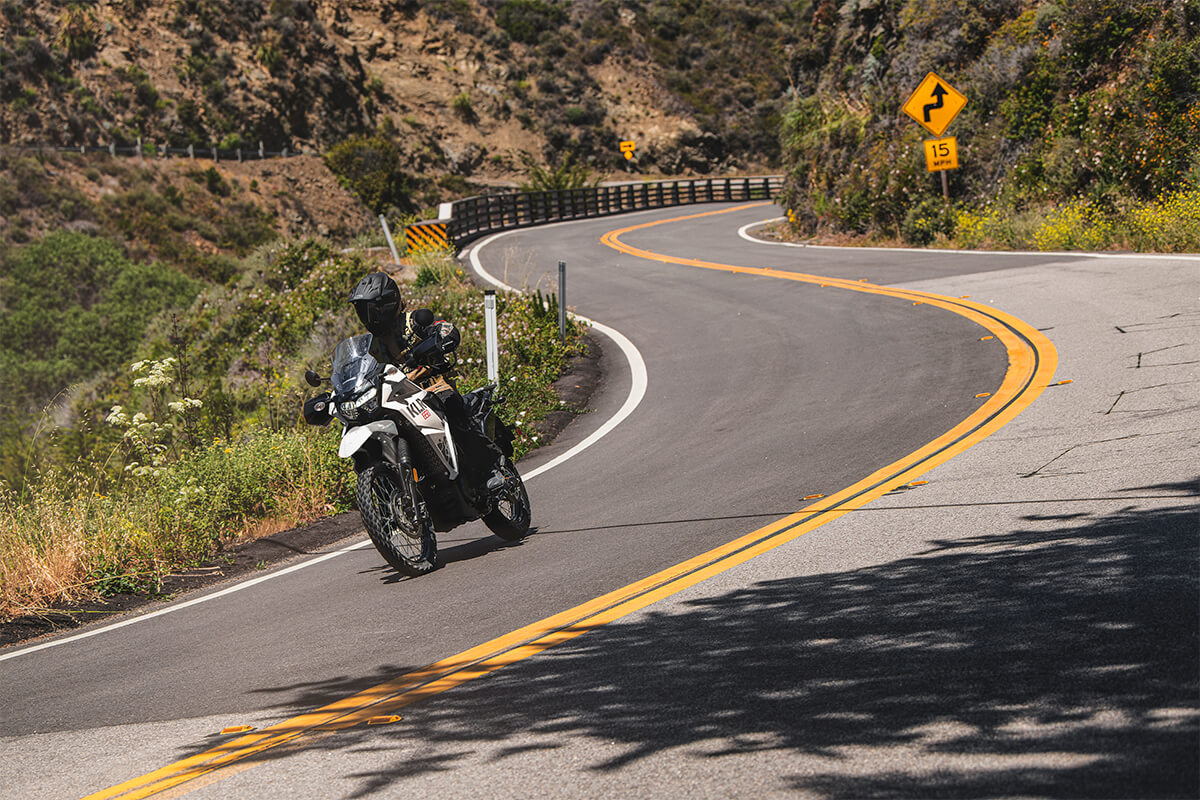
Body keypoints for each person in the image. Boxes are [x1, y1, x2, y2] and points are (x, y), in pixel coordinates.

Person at [339, 271, 504, 497]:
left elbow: (444, 328)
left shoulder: (414, 322)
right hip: (397, 399)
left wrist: (443, 336)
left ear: (388, 305)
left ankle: (489, 470)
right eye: (362, 311)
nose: (368, 317)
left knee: (453, 411)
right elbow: (358, 371)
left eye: (372, 309)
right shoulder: (370, 346)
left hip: (432, 386)